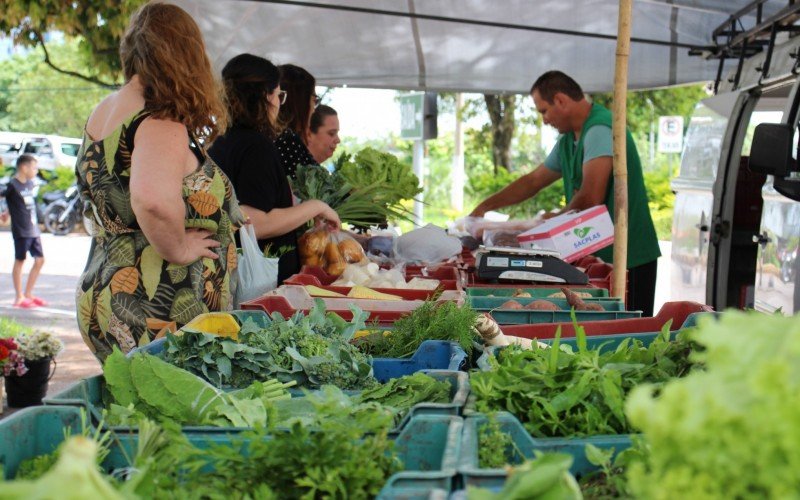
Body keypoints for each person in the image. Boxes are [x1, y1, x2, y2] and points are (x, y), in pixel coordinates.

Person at [74, 3, 246, 361]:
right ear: (186, 55)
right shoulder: (159, 122)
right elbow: (151, 199)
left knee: (136, 413)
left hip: (109, 293)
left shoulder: (108, 110)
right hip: (155, 310)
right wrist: (179, 249)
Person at [471, 71, 661, 316]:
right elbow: (533, 181)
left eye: (544, 111)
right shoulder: (567, 141)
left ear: (560, 100)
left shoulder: (601, 129)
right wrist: (484, 207)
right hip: (597, 257)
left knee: (631, 327)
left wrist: (551, 220)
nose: (545, 120)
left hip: (629, 257)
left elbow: (590, 196)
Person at [209, 54, 340, 285]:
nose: (280, 103)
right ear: (266, 97)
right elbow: (255, 222)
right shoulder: (255, 147)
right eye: (279, 95)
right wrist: (315, 206)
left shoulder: (222, 142)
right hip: (261, 288)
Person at [0, 154, 46, 308]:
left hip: (33, 229)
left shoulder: (29, 184)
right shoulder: (12, 185)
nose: (36, 171)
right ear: (24, 167)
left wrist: (8, 211)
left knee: (40, 260)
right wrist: (4, 212)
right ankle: (18, 297)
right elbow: (6, 198)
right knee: (20, 260)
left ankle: (28, 294)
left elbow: (20, 203)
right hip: (21, 230)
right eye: (34, 167)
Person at [275, 63, 319, 180]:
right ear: (300, 102)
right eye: (314, 100)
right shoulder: (287, 141)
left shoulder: (280, 138)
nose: (314, 109)